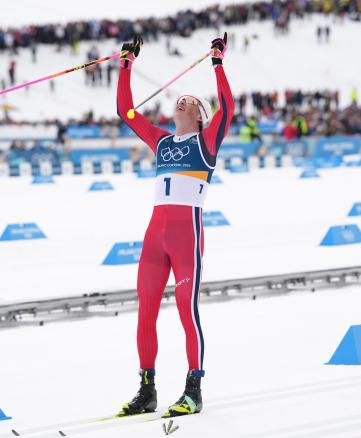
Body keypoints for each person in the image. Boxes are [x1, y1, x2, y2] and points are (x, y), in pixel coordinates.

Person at [116, 33, 234, 418]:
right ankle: (146, 388)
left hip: (187, 239)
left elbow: (228, 108)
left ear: (199, 115)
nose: (183, 100)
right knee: (145, 311)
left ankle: (193, 389)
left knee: (187, 311)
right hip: (155, 239)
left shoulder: (207, 142)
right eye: (180, 99)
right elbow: (126, 111)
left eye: (192, 101)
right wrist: (126, 64)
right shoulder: (162, 142)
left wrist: (217, 63)